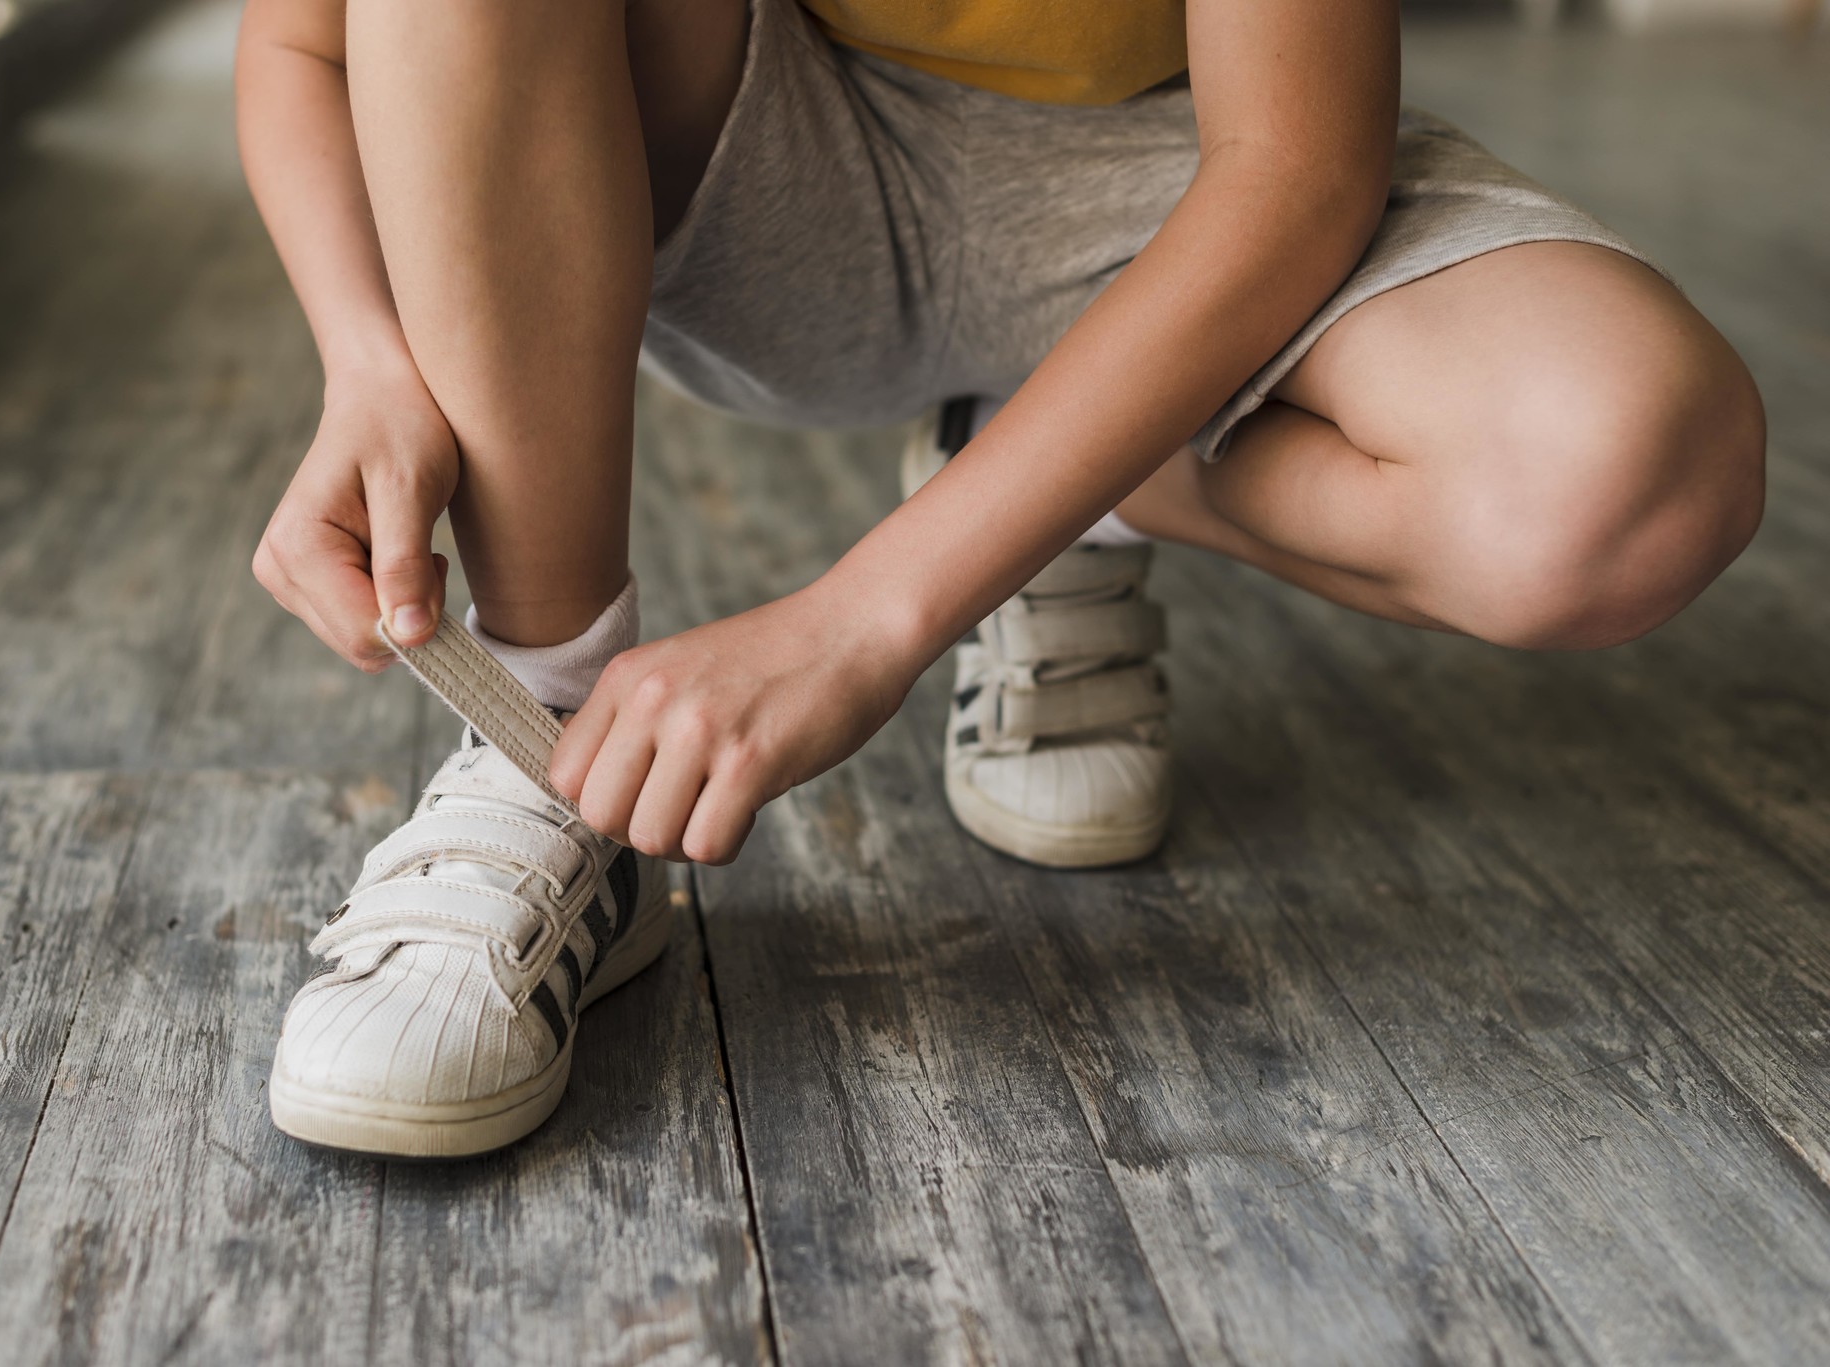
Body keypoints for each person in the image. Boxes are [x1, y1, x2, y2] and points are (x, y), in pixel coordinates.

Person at [236, 0, 1765, 1156]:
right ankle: (546, 739)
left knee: (1629, 476)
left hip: (1194, 190)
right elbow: (306, 43)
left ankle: (1048, 488)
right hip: (761, 161)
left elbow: (1295, 170)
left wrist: (871, 615)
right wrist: (373, 367)